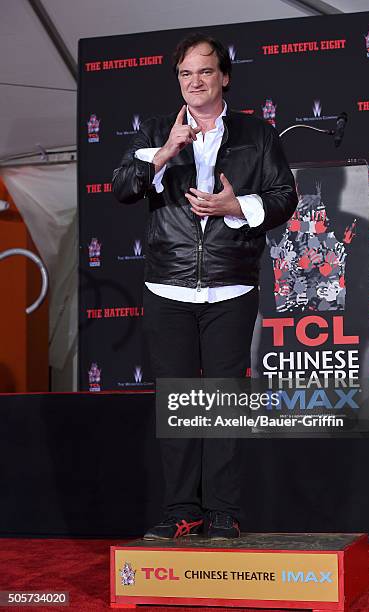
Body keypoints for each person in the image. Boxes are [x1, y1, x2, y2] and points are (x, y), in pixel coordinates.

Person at [112, 33, 298, 540]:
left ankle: (222, 511)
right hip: (167, 288)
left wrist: (235, 207)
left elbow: (284, 198)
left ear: (225, 77)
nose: (195, 82)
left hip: (230, 287)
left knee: (221, 402)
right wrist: (166, 150)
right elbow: (124, 188)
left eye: (205, 71)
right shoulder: (156, 129)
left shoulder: (257, 135)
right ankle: (179, 510)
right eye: (185, 73)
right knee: (176, 403)